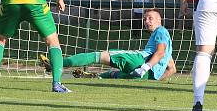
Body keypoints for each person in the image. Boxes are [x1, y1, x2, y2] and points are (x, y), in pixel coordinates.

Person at [40, 8, 176, 81]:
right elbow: (172, 69)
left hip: (140, 61)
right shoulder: (167, 40)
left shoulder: (160, 31)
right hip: (147, 76)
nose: (146, 21)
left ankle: (58, 63)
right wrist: (153, 80)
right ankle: (93, 77)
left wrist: (145, 66)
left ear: (159, 20)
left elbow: (160, 52)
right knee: (114, 75)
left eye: (150, 18)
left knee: (99, 56)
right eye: (145, 19)